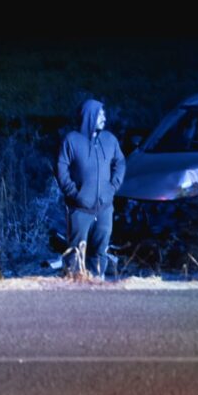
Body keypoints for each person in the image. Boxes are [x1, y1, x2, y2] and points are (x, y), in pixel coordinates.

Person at [55, 99, 126, 278]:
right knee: (75, 253)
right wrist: (73, 193)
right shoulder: (72, 140)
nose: (104, 117)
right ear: (89, 116)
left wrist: (112, 188)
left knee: (100, 251)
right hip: (80, 209)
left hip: (104, 208)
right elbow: (61, 167)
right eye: (100, 114)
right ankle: (72, 288)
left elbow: (120, 162)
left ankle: (97, 287)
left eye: (103, 113)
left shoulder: (109, 140)